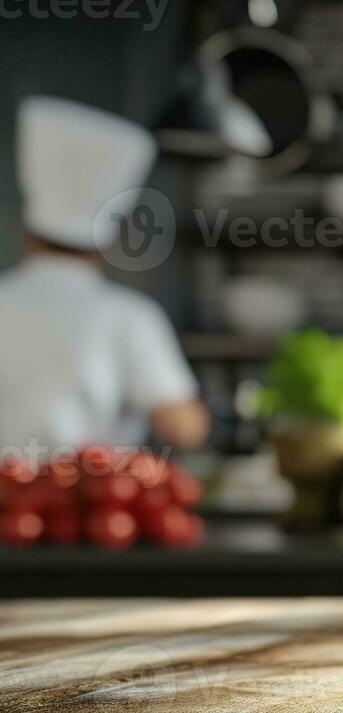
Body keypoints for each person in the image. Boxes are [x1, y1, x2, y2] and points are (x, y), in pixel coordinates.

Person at [0, 96, 210, 458]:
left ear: (27, 230)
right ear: (109, 238)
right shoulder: (128, 316)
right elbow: (184, 427)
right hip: (92, 506)